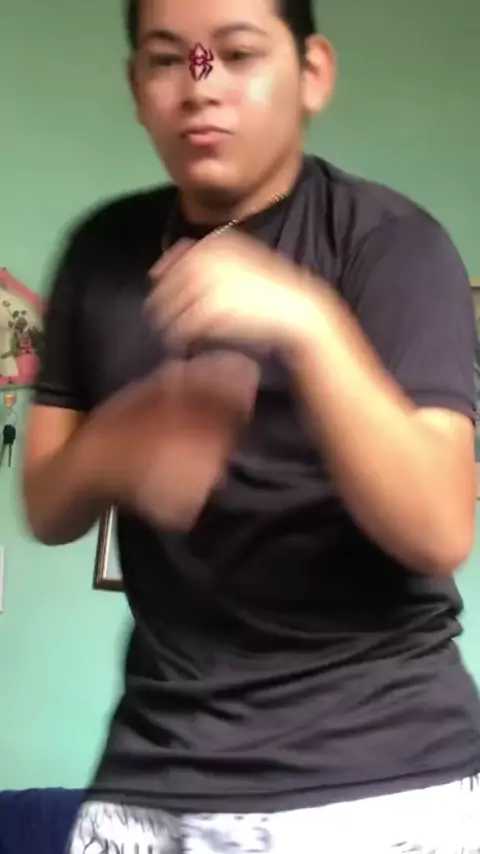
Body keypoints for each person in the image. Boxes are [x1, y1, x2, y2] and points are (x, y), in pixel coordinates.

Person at [22, 0, 480, 851]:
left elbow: (440, 526)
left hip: (380, 779)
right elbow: (46, 506)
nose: (202, 87)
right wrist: (123, 441)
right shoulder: (101, 250)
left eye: (237, 55)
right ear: (137, 85)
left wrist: (309, 325)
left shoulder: (395, 246)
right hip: (153, 778)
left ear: (312, 73)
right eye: (170, 59)